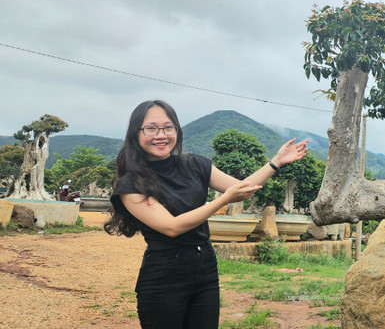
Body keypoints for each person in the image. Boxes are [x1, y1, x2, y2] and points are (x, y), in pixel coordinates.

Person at [103, 100, 309, 328]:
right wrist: (221, 200)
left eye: (168, 127)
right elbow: (171, 227)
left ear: (177, 131)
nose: (161, 135)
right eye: (151, 128)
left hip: (205, 267)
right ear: (136, 134)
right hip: (164, 276)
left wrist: (276, 162)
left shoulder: (194, 164)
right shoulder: (131, 183)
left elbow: (242, 189)